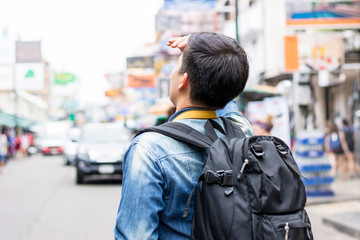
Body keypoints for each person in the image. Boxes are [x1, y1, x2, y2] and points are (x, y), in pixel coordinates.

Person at [114, 32, 253, 240]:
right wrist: (212, 50)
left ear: (183, 80)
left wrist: (202, 49)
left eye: (176, 66)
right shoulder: (241, 131)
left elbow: (136, 235)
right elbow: (228, 95)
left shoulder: (149, 148)